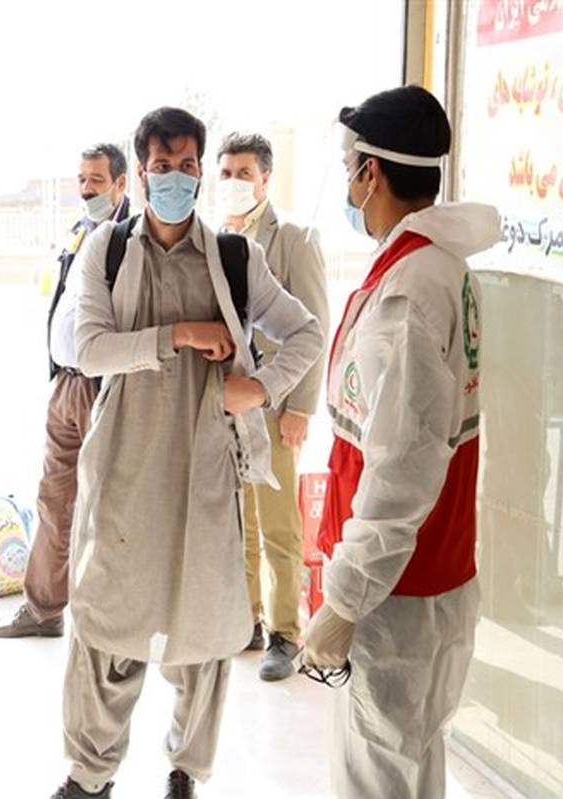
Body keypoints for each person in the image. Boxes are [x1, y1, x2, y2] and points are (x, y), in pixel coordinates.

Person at [54, 108, 324, 799]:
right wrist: (177, 334)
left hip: (205, 470)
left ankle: (186, 772)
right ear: (141, 174)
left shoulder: (236, 259)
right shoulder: (108, 250)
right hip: (124, 467)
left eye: (185, 166)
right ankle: (90, 776)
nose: (174, 178)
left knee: (204, 630)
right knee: (105, 621)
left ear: (199, 171)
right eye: (161, 166)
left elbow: (305, 332)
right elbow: (85, 348)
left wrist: (261, 388)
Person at [301, 86, 501, 799]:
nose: (348, 185)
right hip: (428, 576)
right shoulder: (438, 267)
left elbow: (401, 468)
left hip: (397, 595)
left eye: (349, 168)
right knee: (410, 769)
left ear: (372, 173)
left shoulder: (409, 293)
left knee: (378, 777)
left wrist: (345, 599)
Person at [0, 143, 130, 639]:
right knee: (54, 499)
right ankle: (44, 610)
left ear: (121, 184)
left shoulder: (132, 240)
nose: (87, 189)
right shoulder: (80, 232)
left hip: (104, 388)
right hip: (67, 384)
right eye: (82, 179)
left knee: (107, 506)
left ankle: (110, 621)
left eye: (97, 180)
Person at [216, 132, 330, 681]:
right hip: (231, 407)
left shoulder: (294, 240)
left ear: (266, 178)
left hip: (277, 404)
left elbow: (315, 326)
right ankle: (248, 620)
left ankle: (287, 632)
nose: (234, 183)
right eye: (226, 173)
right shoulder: (219, 241)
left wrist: (301, 407)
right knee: (240, 521)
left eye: (244, 173)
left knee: (280, 526)